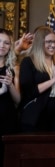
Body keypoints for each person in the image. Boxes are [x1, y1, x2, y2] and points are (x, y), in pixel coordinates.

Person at [19, 26, 55, 132]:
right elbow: (30, 91)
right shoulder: (28, 62)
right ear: (39, 43)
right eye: (48, 42)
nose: (53, 45)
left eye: (54, 42)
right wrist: (54, 79)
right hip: (38, 114)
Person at [0, 28, 20, 167]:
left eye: (6, 43)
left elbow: (18, 100)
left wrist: (10, 85)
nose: (2, 46)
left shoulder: (12, 68)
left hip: (6, 121)